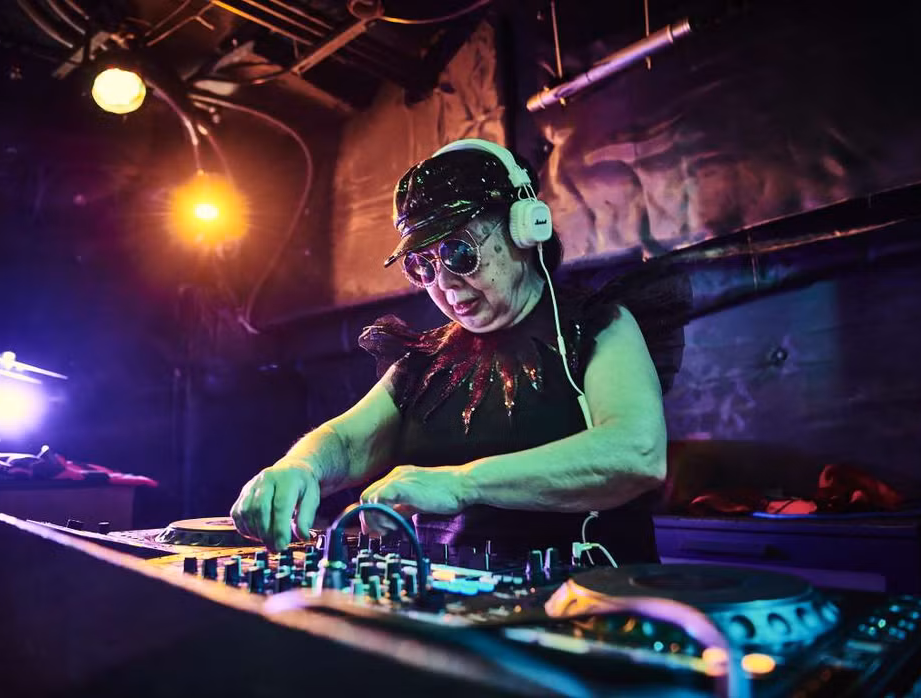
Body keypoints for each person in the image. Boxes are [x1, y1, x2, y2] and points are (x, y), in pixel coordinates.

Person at [231, 138, 675, 563]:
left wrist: (463, 483)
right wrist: (299, 467)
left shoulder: (596, 324)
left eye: (459, 253)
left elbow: (636, 453)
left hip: (583, 600)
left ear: (524, 228)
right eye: (422, 266)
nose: (443, 284)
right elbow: (347, 443)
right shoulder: (426, 360)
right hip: (454, 605)